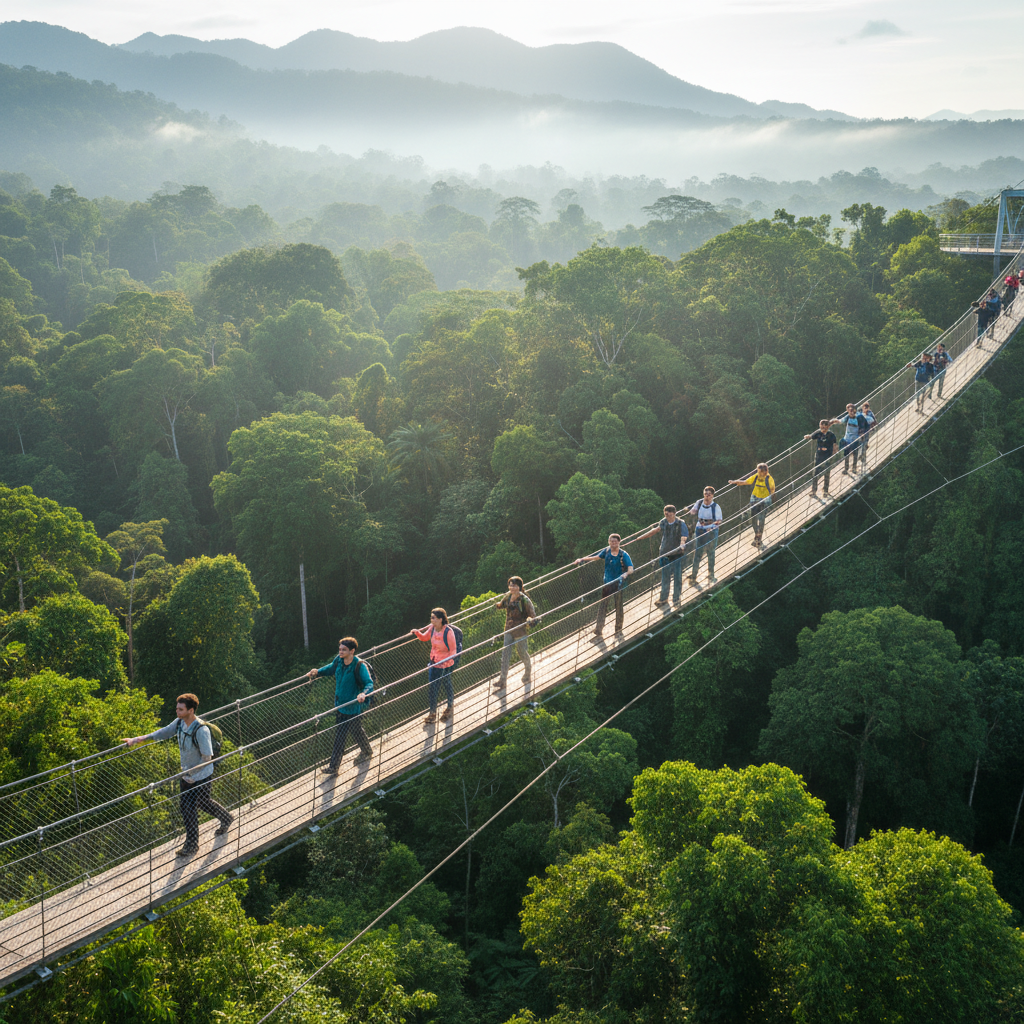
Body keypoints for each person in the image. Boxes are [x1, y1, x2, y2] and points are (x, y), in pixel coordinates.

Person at [123, 693, 233, 858]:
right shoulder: (180, 723)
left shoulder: (201, 730)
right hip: (187, 774)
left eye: (181, 709)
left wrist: (191, 774)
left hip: (201, 775)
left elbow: (207, 758)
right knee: (189, 807)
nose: (177, 711)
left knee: (198, 805)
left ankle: (194, 843)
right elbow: (163, 733)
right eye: (177, 708)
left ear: (190, 710)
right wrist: (137, 739)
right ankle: (218, 824)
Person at [306, 636, 374, 775]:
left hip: (353, 707)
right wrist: (317, 671)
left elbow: (369, 683)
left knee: (353, 732)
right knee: (344, 735)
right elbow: (331, 668)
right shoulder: (339, 660)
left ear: (352, 651)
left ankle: (364, 752)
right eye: (340, 649)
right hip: (341, 706)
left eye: (344, 650)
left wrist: (363, 694)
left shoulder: (359, 665)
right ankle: (335, 766)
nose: (340, 652)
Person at [575, 533, 634, 639]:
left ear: (619, 542)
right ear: (609, 542)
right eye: (611, 541)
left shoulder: (623, 554)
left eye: (615, 541)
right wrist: (582, 559)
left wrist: (625, 574)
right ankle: (598, 629)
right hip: (607, 583)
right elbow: (596, 557)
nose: (613, 543)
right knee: (603, 606)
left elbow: (631, 568)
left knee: (619, 606)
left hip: (618, 584)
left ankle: (618, 630)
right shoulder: (606, 551)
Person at [412, 608, 456, 724]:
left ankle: (450, 707)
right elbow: (424, 638)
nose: (431, 620)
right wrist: (417, 632)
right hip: (434, 663)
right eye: (431, 618)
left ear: (440, 619)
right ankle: (432, 713)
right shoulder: (432, 628)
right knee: (432, 688)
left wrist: (446, 661)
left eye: (433, 618)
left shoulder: (448, 632)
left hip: (445, 665)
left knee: (446, 685)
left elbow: (453, 650)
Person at [639, 505, 688, 606]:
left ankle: (676, 598)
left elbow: (684, 536)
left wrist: (682, 544)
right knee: (665, 577)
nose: (667, 515)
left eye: (669, 513)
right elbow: (655, 530)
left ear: (674, 513)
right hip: (664, 553)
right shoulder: (663, 522)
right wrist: (640, 538)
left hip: (676, 553)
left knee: (677, 577)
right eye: (666, 513)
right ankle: (664, 598)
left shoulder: (680, 523)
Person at [494, 576, 538, 690]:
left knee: (522, 652)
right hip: (509, 629)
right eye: (510, 585)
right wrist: (494, 604)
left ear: (520, 587)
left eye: (514, 585)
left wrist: (531, 620)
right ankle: (502, 681)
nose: (512, 587)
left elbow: (532, 615)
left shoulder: (524, 600)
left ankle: (528, 672)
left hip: (521, 630)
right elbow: (501, 605)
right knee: (505, 654)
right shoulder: (508, 596)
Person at [727, 464, 775, 550]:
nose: (758, 473)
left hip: (763, 501)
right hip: (755, 499)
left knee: (761, 521)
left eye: (760, 472)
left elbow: (772, 490)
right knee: (753, 519)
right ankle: (757, 539)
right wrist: (735, 482)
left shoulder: (769, 479)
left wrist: (767, 499)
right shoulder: (756, 476)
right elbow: (746, 482)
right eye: (758, 471)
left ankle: (758, 541)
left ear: (765, 472)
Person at [687, 487, 722, 587]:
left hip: (711, 531)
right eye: (705, 493)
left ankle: (711, 575)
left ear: (712, 495)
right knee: (698, 553)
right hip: (700, 530)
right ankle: (694, 576)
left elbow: (719, 521)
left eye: (709, 494)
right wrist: (691, 511)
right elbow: (693, 511)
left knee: (710, 553)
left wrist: (710, 527)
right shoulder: (699, 502)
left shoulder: (716, 507)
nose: (707, 495)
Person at [804, 419, 837, 498]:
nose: (822, 429)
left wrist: (834, 452)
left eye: (824, 427)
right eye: (821, 427)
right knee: (815, 473)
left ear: (827, 427)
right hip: (819, 456)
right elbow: (812, 436)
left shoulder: (831, 435)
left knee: (826, 473)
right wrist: (808, 436)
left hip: (827, 456)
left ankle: (825, 491)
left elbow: (835, 445)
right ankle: (814, 491)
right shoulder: (818, 433)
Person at [832, 403, 869, 472]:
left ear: (854, 409)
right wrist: (832, 422)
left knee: (855, 454)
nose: (850, 411)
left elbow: (864, 426)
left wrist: (863, 434)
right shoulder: (848, 417)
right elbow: (840, 421)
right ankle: (846, 469)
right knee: (846, 455)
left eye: (852, 409)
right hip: (847, 439)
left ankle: (854, 468)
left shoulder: (859, 417)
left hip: (855, 439)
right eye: (849, 410)